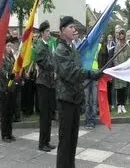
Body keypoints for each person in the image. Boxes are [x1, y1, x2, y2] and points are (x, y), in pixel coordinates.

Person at [54, 16, 101, 168]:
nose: (74, 29)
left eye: (75, 27)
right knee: (65, 141)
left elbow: (78, 71)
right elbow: (71, 73)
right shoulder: (61, 50)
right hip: (66, 100)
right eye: (71, 27)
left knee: (73, 140)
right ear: (62, 31)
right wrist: (89, 74)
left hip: (74, 98)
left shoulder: (72, 48)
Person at [35, 21, 56, 152]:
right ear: (42, 33)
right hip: (43, 83)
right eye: (47, 31)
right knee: (44, 115)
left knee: (48, 114)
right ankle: (42, 143)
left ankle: (47, 141)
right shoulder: (39, 46)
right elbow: (44, 62)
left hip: (49, 83)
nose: (49, 34)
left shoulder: (47, 46)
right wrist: (56, 64)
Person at [0, 37, 16, 143]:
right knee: (5, 113)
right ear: (4, 46)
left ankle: (10, 133)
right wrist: (9, 74)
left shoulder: (11, 56)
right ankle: (4, 134)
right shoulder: (1, 57)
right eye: (8, 45)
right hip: (3, 88)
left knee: (10, 112)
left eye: (10, 45)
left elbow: (15, 67)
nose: (10, 47)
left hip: (11, 87)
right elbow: (1, 71)